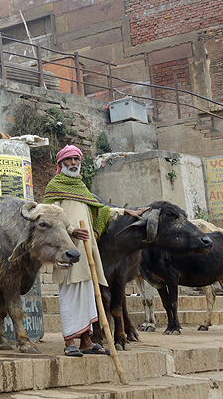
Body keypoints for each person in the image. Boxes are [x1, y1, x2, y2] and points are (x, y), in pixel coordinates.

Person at [42, 144, 147, 357]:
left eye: (76, 160)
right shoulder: (55, 186)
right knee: (70, 295)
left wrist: (125, 212)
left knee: (89, 295)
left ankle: (87, 342)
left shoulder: (82, 188)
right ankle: (70, 342)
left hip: (88, 251)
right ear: (60, 164)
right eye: (69, 160)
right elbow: (48, 216)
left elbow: (101, 211)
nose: (73, 163)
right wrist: (71, 230)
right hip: (67, 251)